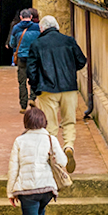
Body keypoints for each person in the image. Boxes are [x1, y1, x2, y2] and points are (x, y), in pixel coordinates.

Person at [6, 106, 66, 215]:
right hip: (46, 188)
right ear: (43, 121)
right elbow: (63, 161)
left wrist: (10, 191)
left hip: (27, 190)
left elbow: (13, 168)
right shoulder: (50, 139)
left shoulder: (19, 141)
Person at [27, 15, 88, 172]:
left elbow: (31, 70)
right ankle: (68, 147)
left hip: (48, 89)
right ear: (57, 26)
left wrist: (35, 88)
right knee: (69, 121)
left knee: (51, 125)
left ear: (42, 29)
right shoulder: (69, 41)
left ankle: (53, 155)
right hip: (69, 87)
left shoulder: (37, 44)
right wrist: (69, 69)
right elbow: (81, 60)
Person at [6, 7, 41, 111]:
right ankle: (32, 98)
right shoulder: (37, 27)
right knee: (34, 78)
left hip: (22, 57)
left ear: (21, 17)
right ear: (30, 17)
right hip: (34, 57)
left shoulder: (16, 28)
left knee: (22, 82)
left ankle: (23, 105)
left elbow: (12, 44)